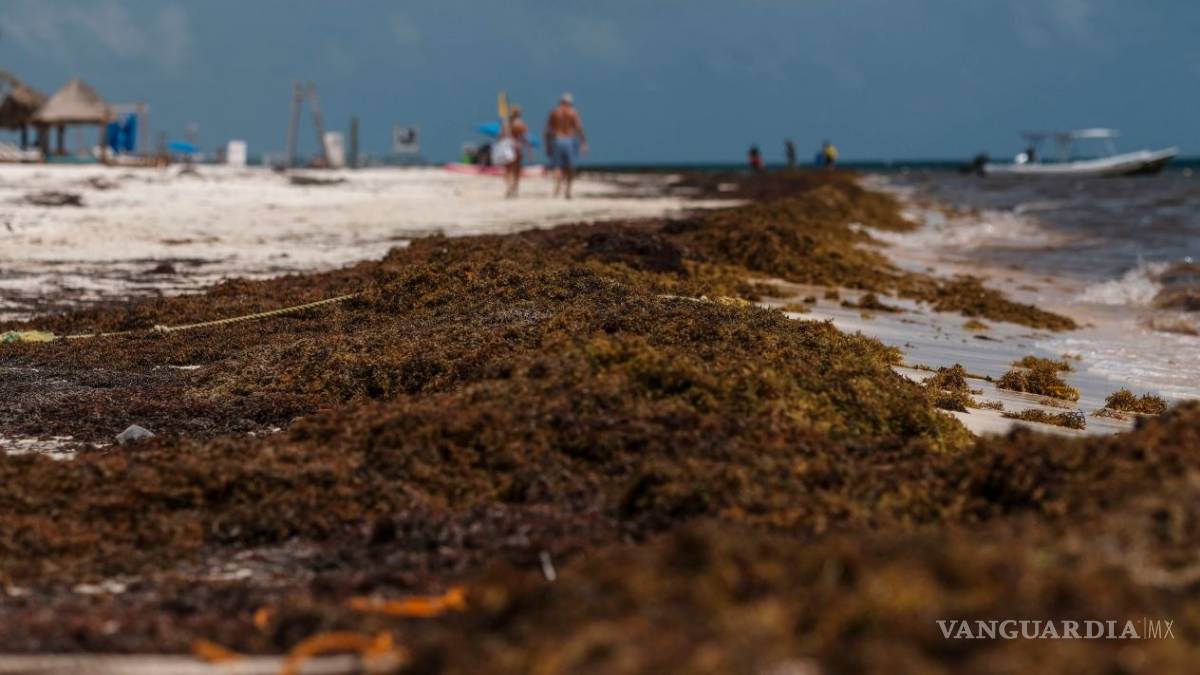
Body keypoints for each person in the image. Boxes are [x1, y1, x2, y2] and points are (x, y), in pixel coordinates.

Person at [544, 92, 587, 198]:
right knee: (570, 166)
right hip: (569, 140)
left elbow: (547, 131)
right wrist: (583, 143)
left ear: (560, 101)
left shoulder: (554, 112)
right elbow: (579, 128)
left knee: (557, 166)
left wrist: (547, 145)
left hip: (557, 140)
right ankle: (568, 189)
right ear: (570, 102)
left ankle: (558, 185)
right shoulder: (573, 112)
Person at [501, 106, 530, 198]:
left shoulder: (506, 124)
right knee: (517, 170)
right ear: (519, 114)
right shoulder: (521, 124)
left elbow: (501, 136)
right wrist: (529, 150)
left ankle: (509, 187)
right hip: (517, 147)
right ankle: (515, 189)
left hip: (508, 146)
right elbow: (525, 138)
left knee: (508, 169)